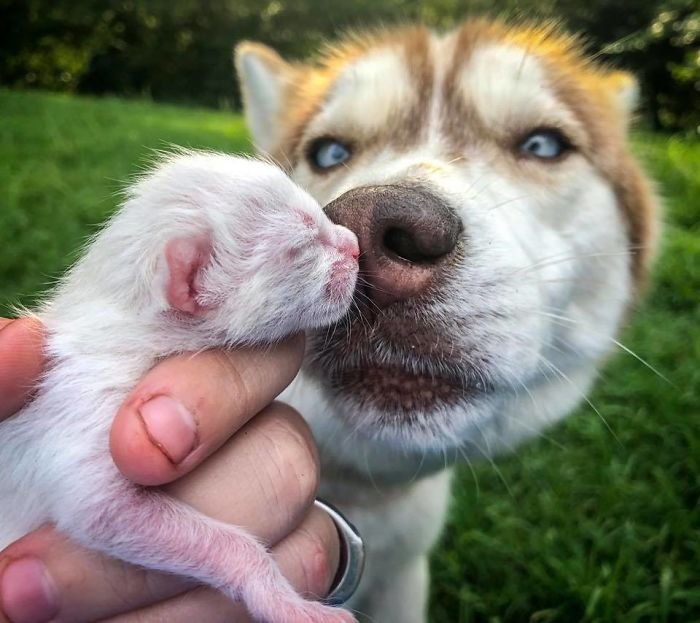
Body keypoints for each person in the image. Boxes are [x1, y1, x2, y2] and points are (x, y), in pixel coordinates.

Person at [0, 317, 342, 623]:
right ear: (190, 282)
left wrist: (332, 556)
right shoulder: (89, 370)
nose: (351, 250)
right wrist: (247, 568)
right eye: (293, 255)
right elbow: (99, 510)